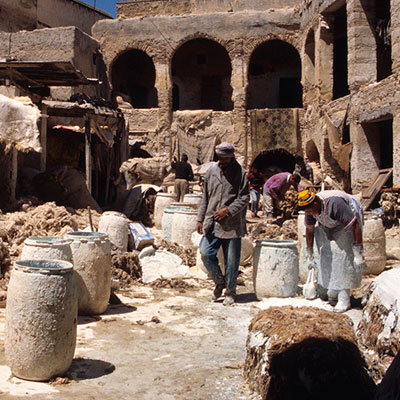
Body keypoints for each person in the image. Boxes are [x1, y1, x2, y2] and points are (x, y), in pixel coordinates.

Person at [197, 142, 249, 306]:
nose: (222, 161)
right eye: (220, 158)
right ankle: (219, 281)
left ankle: (231, 292)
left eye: (225, 158)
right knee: (205, 253)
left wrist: (228, 210)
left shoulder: (240, 173)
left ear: (231, 156)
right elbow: (205, 196)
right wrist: (200, 218)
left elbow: (245, 198)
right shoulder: (212, 171)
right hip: (212, 222)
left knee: (232, 261)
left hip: (232, 224)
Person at [297, 189, 366, 313]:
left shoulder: (335, 205)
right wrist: (310, 254)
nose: (308, 213)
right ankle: (333, 290)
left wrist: (358, 252)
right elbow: (310, 231)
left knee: (343, 257)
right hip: (330, 222)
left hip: (348, 219)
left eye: (309, 210)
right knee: (325, 252)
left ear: (316, 204)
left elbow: (354, 225)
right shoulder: (310, 209)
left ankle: (344, 298)